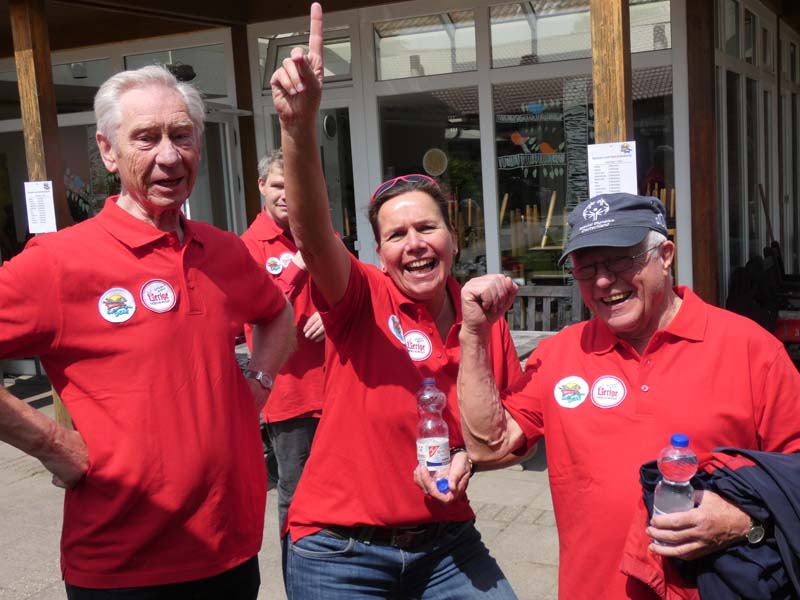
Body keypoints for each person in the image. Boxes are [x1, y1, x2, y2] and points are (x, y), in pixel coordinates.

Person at [0, 65, 296, 599]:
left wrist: (260, 383)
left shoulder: (224, 251)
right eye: (146, 138)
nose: (169, 155)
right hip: (123, 568)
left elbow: (277, 315)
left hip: (229, 550)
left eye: (181, 135)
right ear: (108, 151)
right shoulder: (59, 263)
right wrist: (49, 441)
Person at [270, 4, 523, 598]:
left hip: (445, 543)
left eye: (426, 228)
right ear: (378, 251)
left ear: (454, 237)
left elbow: (504, 431)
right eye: (395, 234)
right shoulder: (359, 295)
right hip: (340, 549)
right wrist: (298, 126)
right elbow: (311, 230)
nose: (414, 244)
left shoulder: (480, 317)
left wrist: (474, 461)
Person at [455, 193, 800, 599]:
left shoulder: (749, 349)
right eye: (587, 267)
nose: (603, 280)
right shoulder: (561, 354)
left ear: (665, 255)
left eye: (621, 259)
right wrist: (474, 335)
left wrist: (743, 520)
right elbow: (487, 446)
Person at [241, 149, 325, 532]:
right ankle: (300, 573)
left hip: (336, 384)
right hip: (289, 394)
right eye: (277, 185)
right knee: (296, 491)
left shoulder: (320, 232)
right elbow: (259, 310)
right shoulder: (248, 246)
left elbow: (355, 292)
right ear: (261, 186)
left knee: (340, 481)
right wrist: (298, 265)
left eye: (294, 185)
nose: (287, 194)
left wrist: (332, 314)